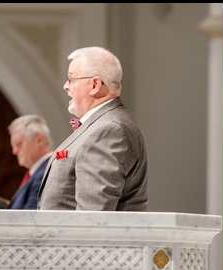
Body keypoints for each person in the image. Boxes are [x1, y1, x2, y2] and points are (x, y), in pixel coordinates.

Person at [37, 46, 148, 211]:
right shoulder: (103, 126)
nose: (66, 86)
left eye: (71, 79)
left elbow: (92, 217)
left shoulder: (109, 130)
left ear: (95, 84)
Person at [7, 114, 53, 209]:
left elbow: (28, 218)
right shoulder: (36, 173)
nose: (14, 151)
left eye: (18, 144)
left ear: (39, 140)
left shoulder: (46, 172)